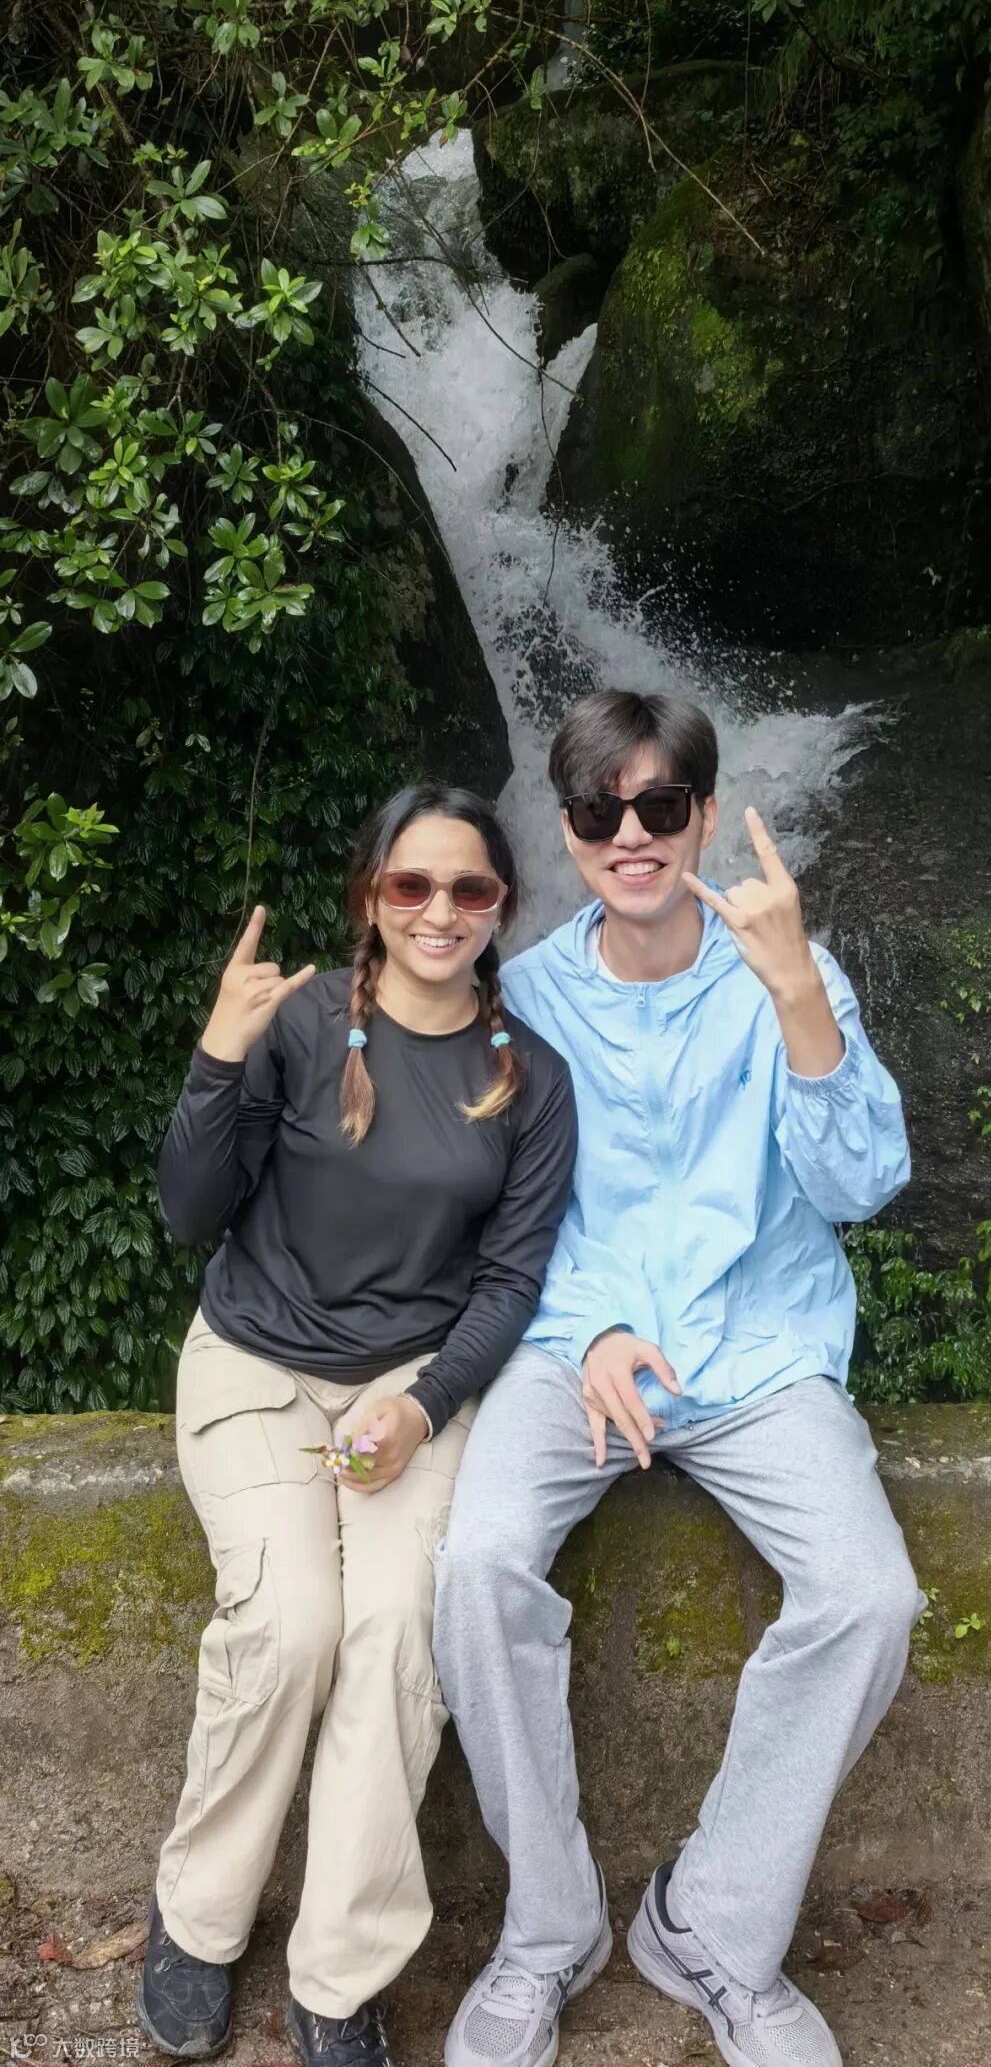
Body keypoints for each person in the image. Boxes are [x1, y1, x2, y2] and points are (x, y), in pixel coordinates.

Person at [434, 691, 921, 2067]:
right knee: (476, 1567)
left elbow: (862, 1184)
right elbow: (501, 1221)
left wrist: (798, 994)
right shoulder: (525, 999)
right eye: (602, 810)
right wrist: (586, 1326)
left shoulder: (790, 969)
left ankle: (710, 1925)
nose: (631, 834)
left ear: (705, 816)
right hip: (578, 1350)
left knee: (871, 1594)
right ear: (569, 830)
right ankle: (549, 1928)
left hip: (758, 1347)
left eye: (659, 805)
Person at [137, 784, 577, 2067]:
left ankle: (339, 1979)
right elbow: (190, 1214)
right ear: (371, 894)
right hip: (258, 1367)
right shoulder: (299, 1024)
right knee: (291, 1626)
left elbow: (512, 1282)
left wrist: (425, 1407)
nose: (440, 911)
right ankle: (198, 1921)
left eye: (470, 889)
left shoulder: (530, 1079)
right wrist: (219, 1056)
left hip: (415, 1385)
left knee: (394, 1636)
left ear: (502, 907)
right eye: (410, 885)